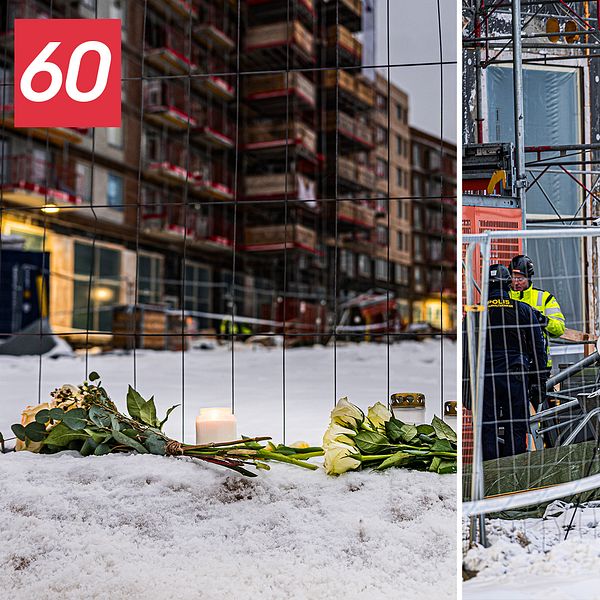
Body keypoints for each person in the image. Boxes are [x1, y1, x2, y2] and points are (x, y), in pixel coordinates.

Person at [481, 264, 547, 460]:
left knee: (487, 425)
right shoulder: (524, 310)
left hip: (485, 376)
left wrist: (467, 384)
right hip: (515, 374)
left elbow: (467, 352)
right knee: (516, 425)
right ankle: (515, 474)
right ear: (509, 284)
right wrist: (539, 381)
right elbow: (538, 349)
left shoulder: (476, 313)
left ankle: (488, 476)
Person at [508, 254, 565, 410]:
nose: (516, 282)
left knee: (541, 412)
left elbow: (559, 328)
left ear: (529, 278)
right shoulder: (504, 298)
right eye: (513, 277)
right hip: (511, 365)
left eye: (521, 278)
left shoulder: (544, 299)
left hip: (538, 368)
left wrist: (542, 320)